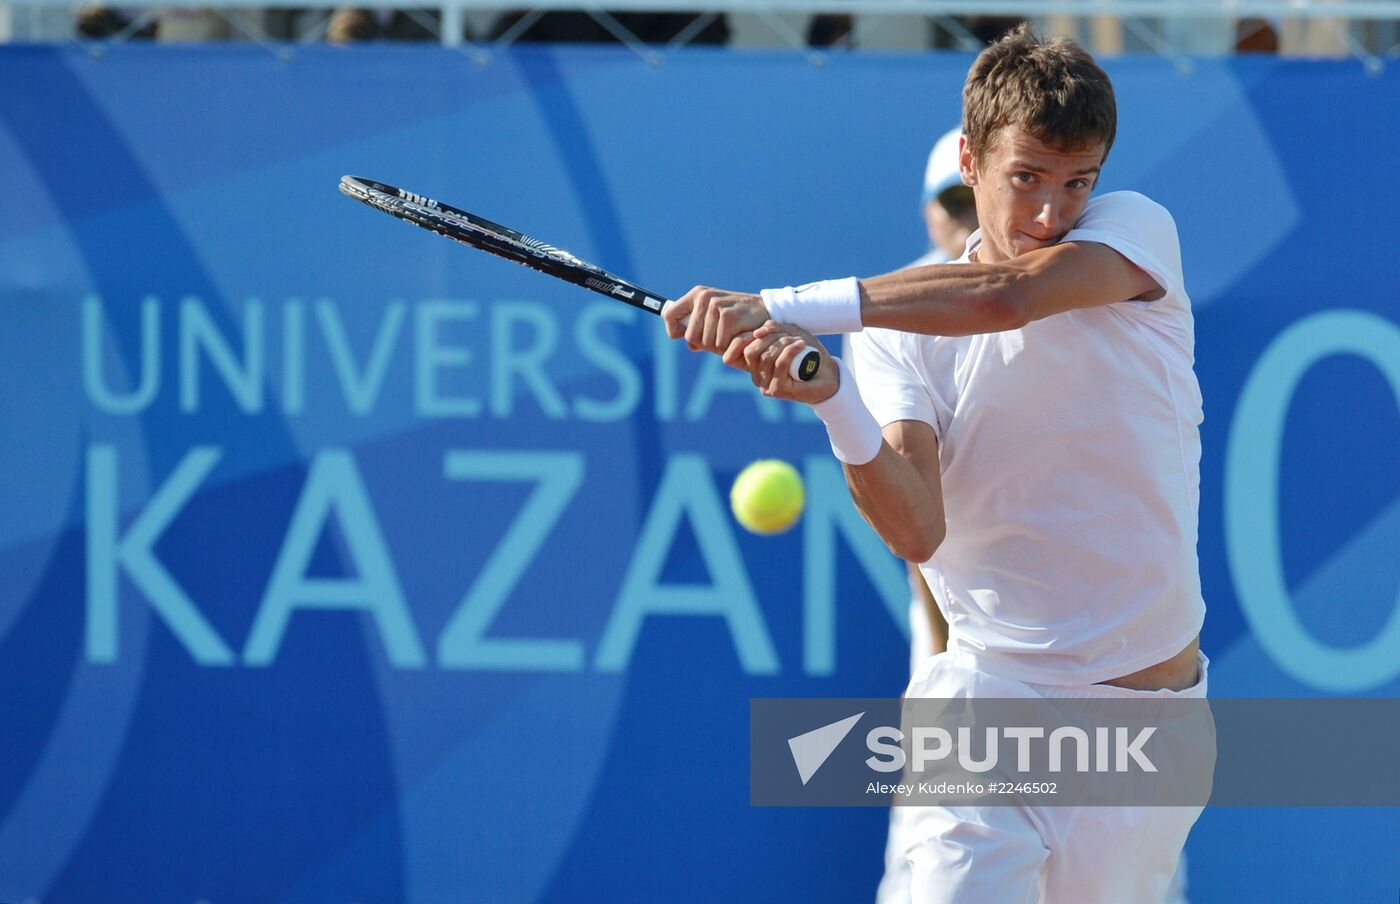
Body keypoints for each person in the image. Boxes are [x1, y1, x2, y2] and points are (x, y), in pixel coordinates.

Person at [664, 24, 1206, 902]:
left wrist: (778, 305)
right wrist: (835, 401)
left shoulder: (1135, 234)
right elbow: (917, 529)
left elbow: (1005, 297)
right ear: (969, 159)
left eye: (1077, 182)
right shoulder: (896, 335)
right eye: (1026, 178)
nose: (1049, 215)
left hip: (1145, 728)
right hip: (989, 696)